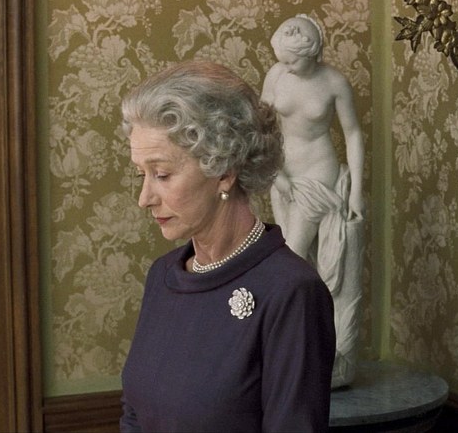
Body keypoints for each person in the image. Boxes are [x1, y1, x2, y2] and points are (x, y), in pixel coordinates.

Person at [119, 60, 336, 432]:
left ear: (224, 170)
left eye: (162, 174)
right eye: (142, 174)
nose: (145, 198)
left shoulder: (291, 293)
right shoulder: (163, 276)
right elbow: (134, 416)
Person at [262, 14, 365, 388]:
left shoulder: (334, 82)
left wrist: (356, 191)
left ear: (313, 53)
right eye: (283, 60)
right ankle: (304, 347)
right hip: (283, 178)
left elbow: (353, 134)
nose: (287, 67)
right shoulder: (276, 75)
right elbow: (263, 127)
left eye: (293, 61)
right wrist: (276, 173)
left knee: (290, 257)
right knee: (301, 262)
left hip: (319, 175)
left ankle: (312, 350)